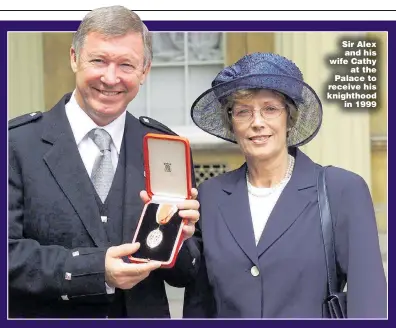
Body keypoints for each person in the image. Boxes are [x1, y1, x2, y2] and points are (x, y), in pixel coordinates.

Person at [8, 5, 201, 318]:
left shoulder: (166, 148)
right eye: (98, 60)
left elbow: (187, 273)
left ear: (145, 70)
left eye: (126, 64)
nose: (110, 78)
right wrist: (95, 270)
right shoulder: (15, 144)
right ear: (74, 58)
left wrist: (179, 241)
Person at [182, 52, 387, 318]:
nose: (257, 122)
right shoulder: (209, 196)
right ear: (231, 123)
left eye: (270, 109)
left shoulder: (342, 190)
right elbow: (199, 305)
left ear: (289, 118)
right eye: (243, 111)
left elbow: (369, 302)